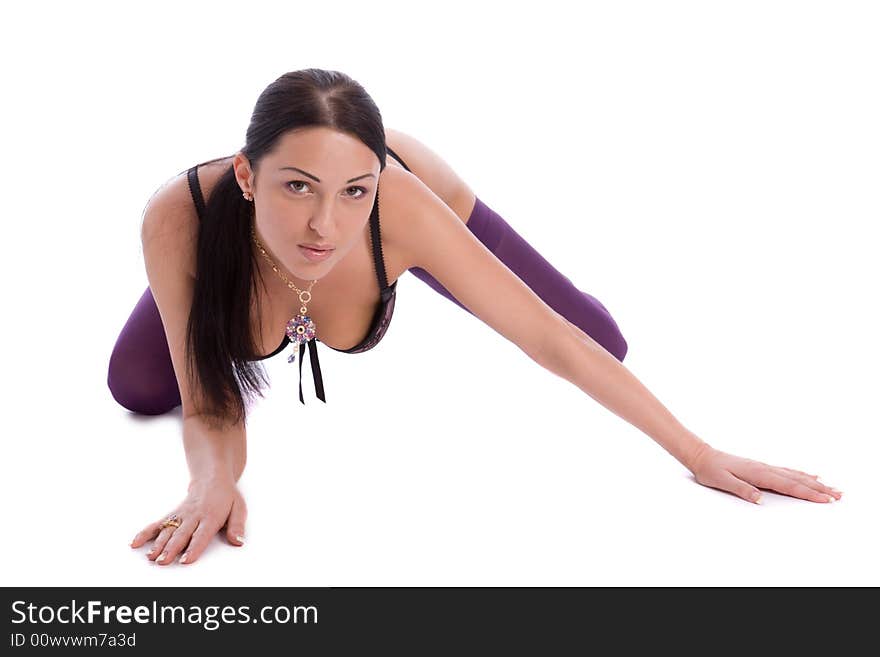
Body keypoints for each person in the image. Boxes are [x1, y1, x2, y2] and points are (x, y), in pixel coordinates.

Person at [109, 68, 842, 567]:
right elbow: (209, 395)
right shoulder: (180, 218)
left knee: (599, 341)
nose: (323, 225)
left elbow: (549, 338)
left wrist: (698, 452)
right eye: (297, 187)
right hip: (225, 237)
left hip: (425, 199)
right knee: (138, 383)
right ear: (246, 175)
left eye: (354, 190)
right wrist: (213, 481)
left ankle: (392, 178)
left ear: (376, 183)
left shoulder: (399, 206)